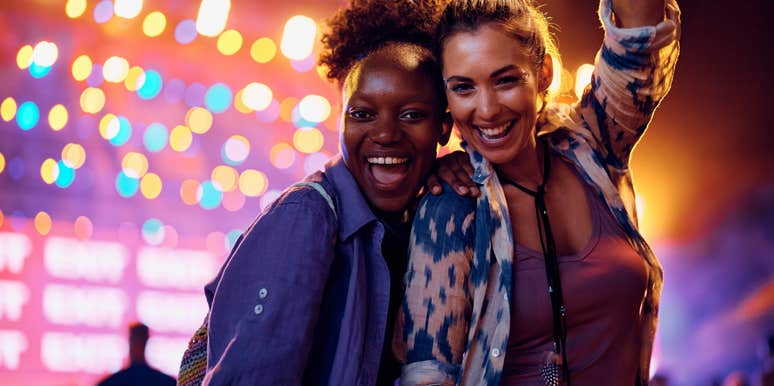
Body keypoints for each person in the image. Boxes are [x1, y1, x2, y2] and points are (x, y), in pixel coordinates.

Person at [398, 0, 680, 385]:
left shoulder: (592, 148)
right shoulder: (449, 206)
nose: (487, 109)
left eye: (505, 80)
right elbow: (429, 376)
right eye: (463, 88)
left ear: (543, 73)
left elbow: (639, 40)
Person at [187, 1, 451, 385]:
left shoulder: (423, 217)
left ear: (444, 127)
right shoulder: (307, 216)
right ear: (340, 118)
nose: (385, 134)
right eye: (362, 114)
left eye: (411, 114)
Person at [97, 322, 176, 386]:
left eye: (136, 340)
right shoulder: (166, 382)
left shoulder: (111, 382)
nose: (136, 344)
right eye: (135, 340)